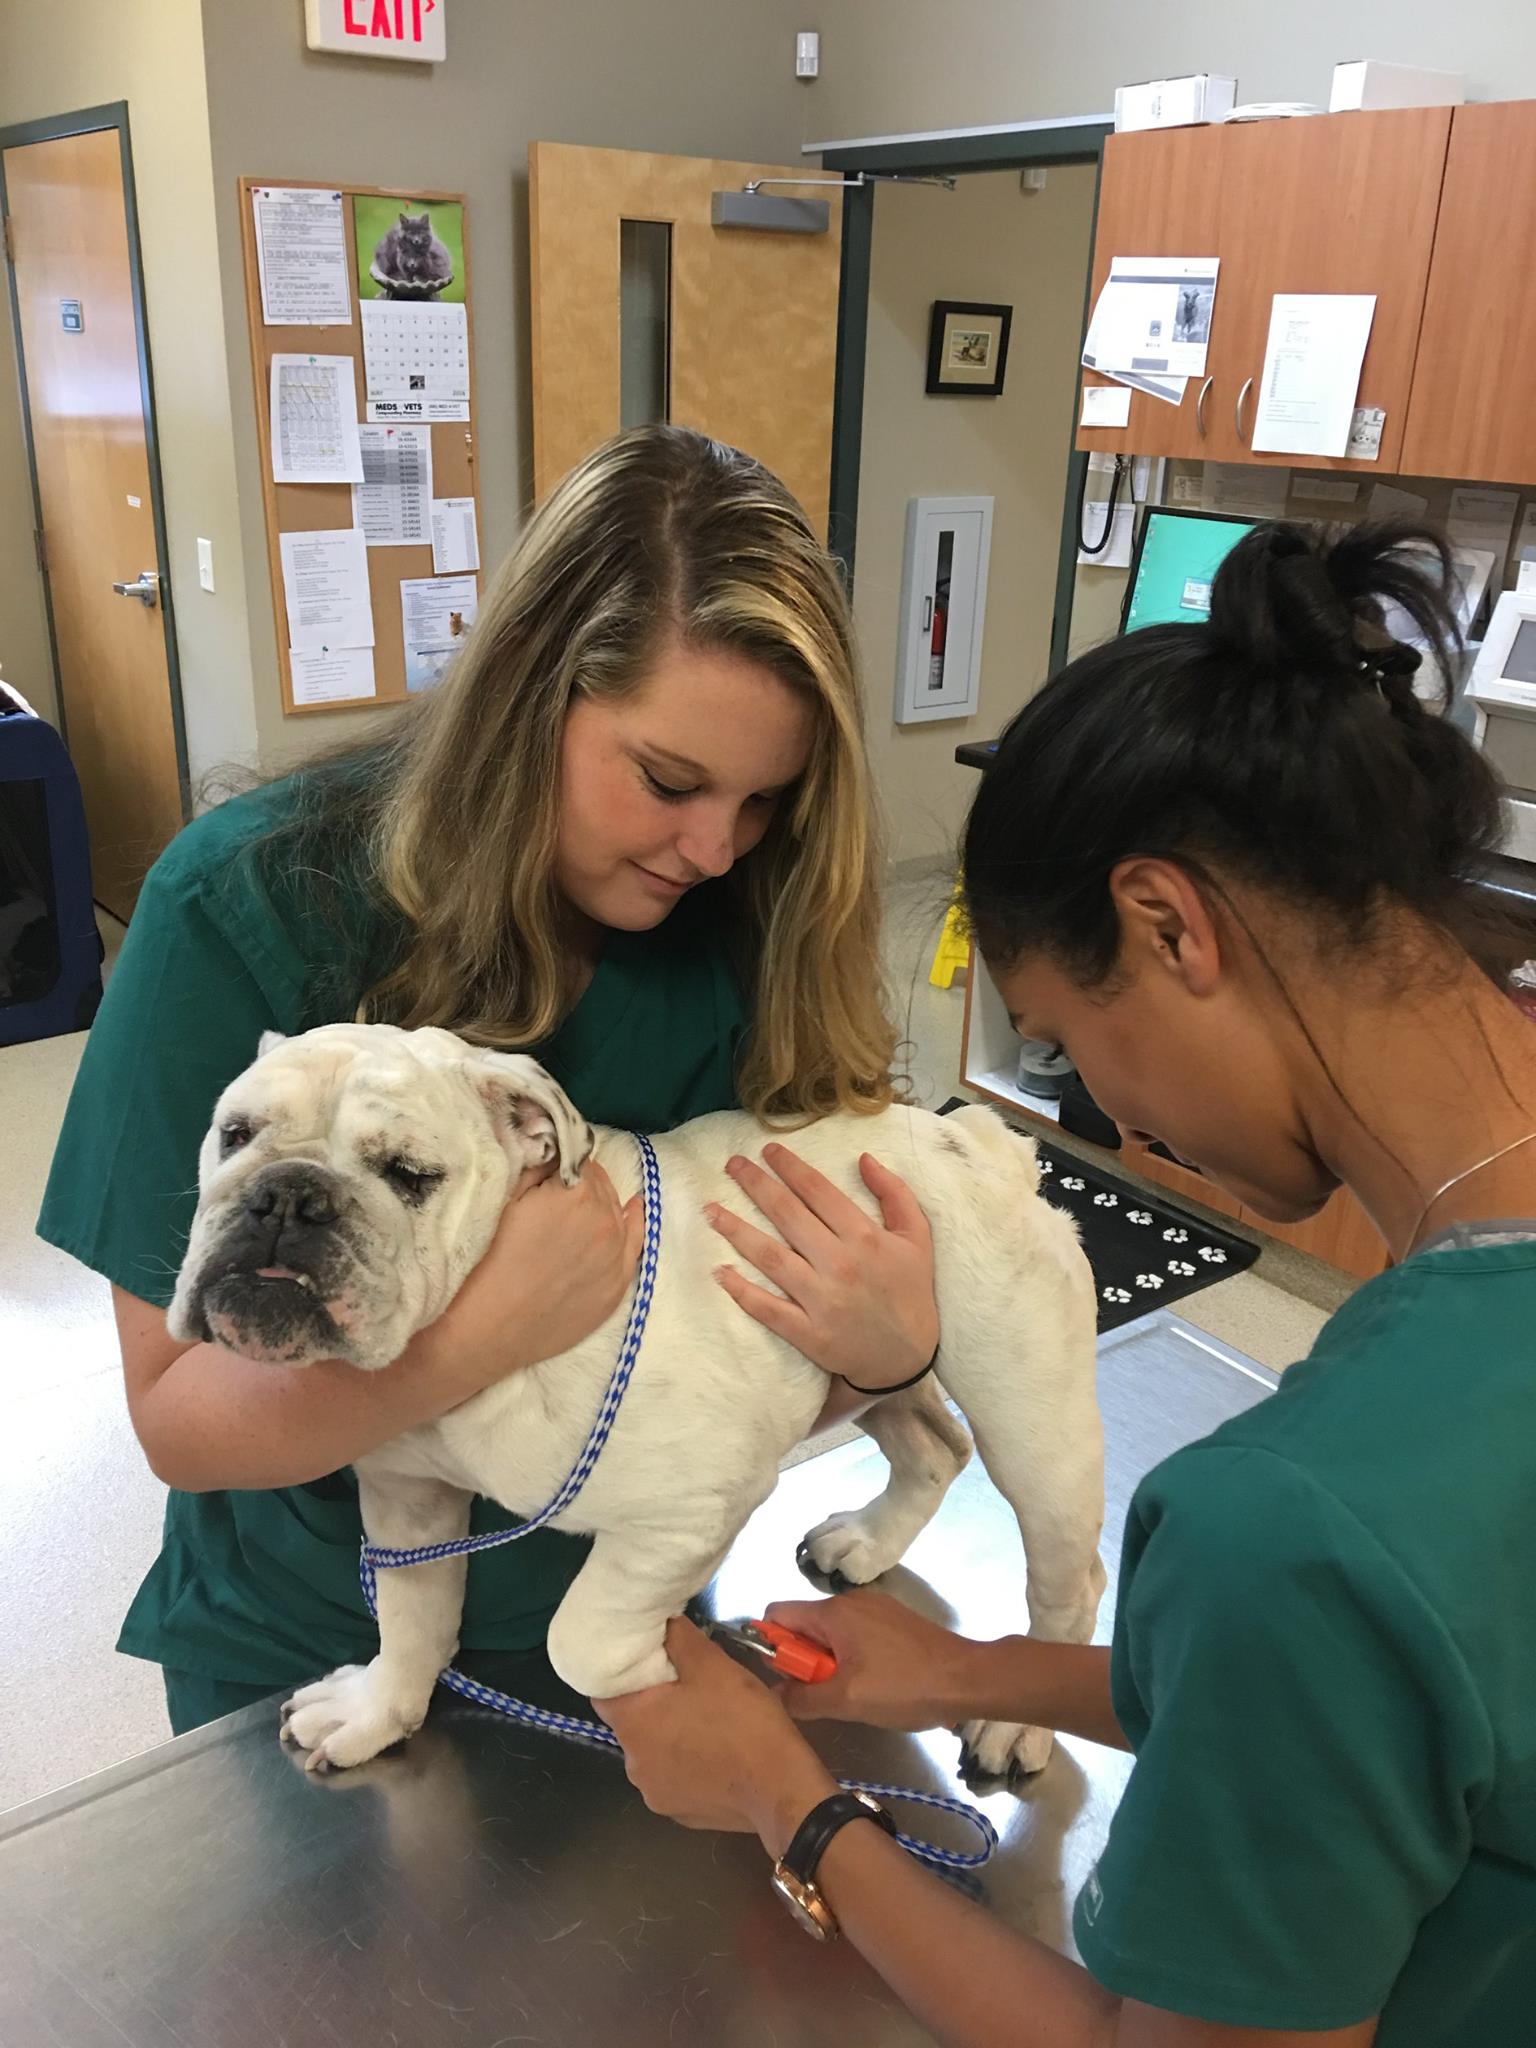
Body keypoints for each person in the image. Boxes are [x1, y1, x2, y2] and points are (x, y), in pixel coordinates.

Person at [599, 521, 1536, 2047]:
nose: (1121, 1118)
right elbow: (1411, 1716)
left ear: (1170, 925)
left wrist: (792, 1806)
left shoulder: (1302, 1524)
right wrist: (974, 1670)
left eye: (1064, 1040)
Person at [38, 424, 938, 1736]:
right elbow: (180, 1421)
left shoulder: (750, 928)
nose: (712, 847)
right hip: (307, 1628)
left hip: (628, 1600)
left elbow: (764, 1365)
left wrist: (892, 1349)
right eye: (671, 780)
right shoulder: (247, 906)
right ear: (531, 693)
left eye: (762, 804)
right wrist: (480, 1334)